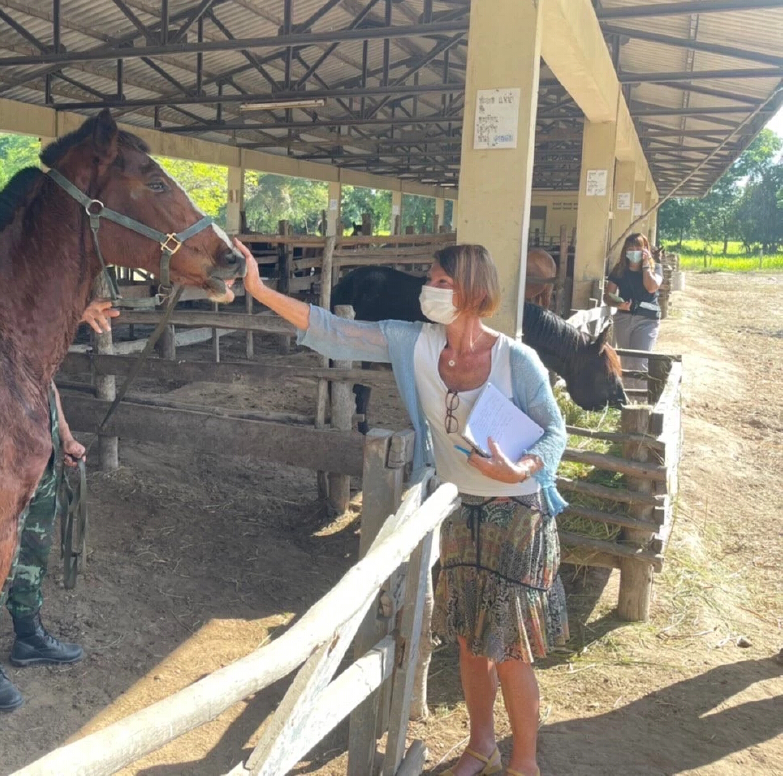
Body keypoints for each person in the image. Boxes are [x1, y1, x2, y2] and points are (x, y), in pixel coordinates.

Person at [232, 238, 568, 776]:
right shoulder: (412, 343)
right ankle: (483, 745)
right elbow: (333, 331)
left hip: (519, 513)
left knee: (506, 646)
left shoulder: (515, 358)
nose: (428, 292)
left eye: (441, 283)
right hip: (459, 511)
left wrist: (522, 469)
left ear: (473, 292)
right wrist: (258, 289)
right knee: (468, 639)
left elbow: (554, 431)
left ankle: (524, 762)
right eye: (429, 281)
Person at [0, 297, 119, 711]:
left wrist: (66, 438)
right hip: (6, 462)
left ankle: (27, 635)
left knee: (34, 553)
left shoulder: (36, 340)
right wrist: (71, 312)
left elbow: (47, 385)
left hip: (44, 454)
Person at [604, 233, 662, 391]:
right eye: (631, 248)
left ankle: (641, 397)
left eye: (638, 248)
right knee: (626, 360)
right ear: (625, 251)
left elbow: (651, 287)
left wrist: (645, 267)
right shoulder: (619, 270)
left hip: (647, 320)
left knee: (640, 359)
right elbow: (608, 296)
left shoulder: (656, 268)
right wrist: (618, 303)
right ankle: (626, 397)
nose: (634, 251)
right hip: (623, 318)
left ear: (646, 250)